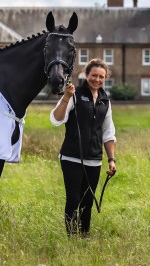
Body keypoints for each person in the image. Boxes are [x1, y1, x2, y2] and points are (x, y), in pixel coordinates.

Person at [50, 58, 117, 237]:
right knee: (73, 199)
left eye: (101, 77)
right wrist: (66, 97)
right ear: (86, 75)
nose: (97, 79)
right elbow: (56, 119)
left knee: (88, 201)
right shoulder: (75, 94)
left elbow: (108, 133)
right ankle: (71, 238)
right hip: (72, 157)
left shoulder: (105, 101)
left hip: (94, 160)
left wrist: (111, 159)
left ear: (105, 78)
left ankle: (84, 236)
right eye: (94, 75)